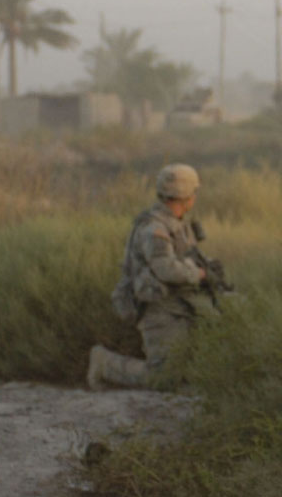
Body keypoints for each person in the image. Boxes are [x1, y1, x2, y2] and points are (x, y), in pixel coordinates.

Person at [87, 163, 211, 390]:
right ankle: (104, 363)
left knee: (186, 371)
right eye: (194, 192)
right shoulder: (154, 228)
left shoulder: (177, 224)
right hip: (158, 308)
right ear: (185, 196)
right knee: (162, 378)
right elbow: (165, 268)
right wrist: (199, 274)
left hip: (178, 306)